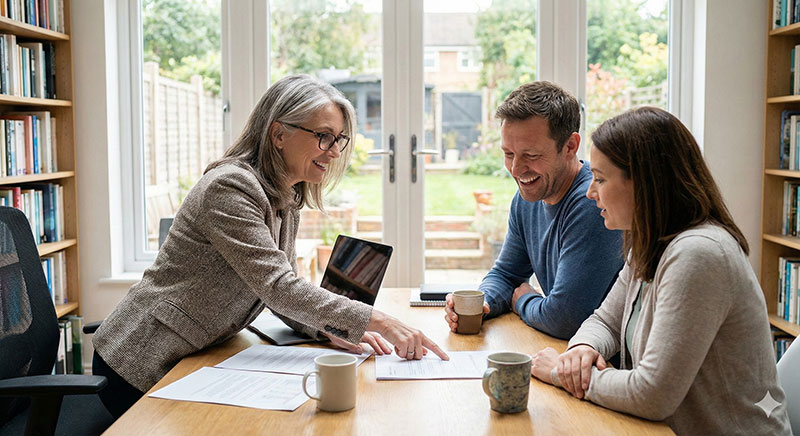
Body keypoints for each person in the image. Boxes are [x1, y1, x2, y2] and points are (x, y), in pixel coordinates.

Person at [92, 75, 448, 419]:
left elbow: (280, 288)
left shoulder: (285, 194)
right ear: (279, 134)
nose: (335, 151)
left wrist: (328, 330)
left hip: (194, 355)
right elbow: (278, 288)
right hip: (140, 364)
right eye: (324, 137)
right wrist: (381, 321)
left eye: (340, 139)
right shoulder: (229, 188)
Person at [530, 107, 792, 435]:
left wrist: (561, 373)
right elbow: (604, 321)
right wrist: (583, 351)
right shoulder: (650, 244)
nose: (589, 192)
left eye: (600, 178)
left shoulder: (699, 255)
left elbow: (652, 394)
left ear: (643, 182)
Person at [444, 81, 624, 339]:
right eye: (508, 153)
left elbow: (565, 319)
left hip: (599, 365)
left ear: (570, 146)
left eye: (531, 155)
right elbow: (507, 274)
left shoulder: (591, 203)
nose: (516, 170)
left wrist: (523, 301)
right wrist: (482, 304)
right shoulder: (526, 200)